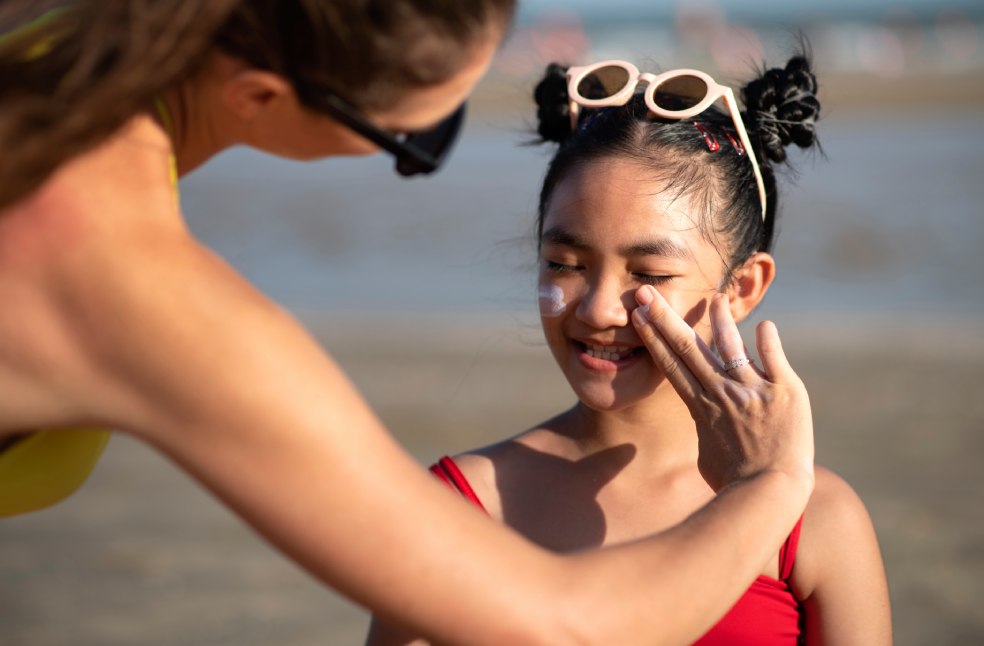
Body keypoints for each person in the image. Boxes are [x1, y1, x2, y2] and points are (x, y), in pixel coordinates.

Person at [0, 2, 817, 643]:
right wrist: (771, 485)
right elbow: (556, 624)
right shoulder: (125, 284)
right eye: (415, 139)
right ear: (257, 94)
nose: (418, 155)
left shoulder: (42, 43)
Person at [367, 54, 892, 645]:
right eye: (565, 264)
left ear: (743, 287)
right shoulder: (461, 505)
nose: (597, 309)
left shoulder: (815, 517)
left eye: (650, 273)